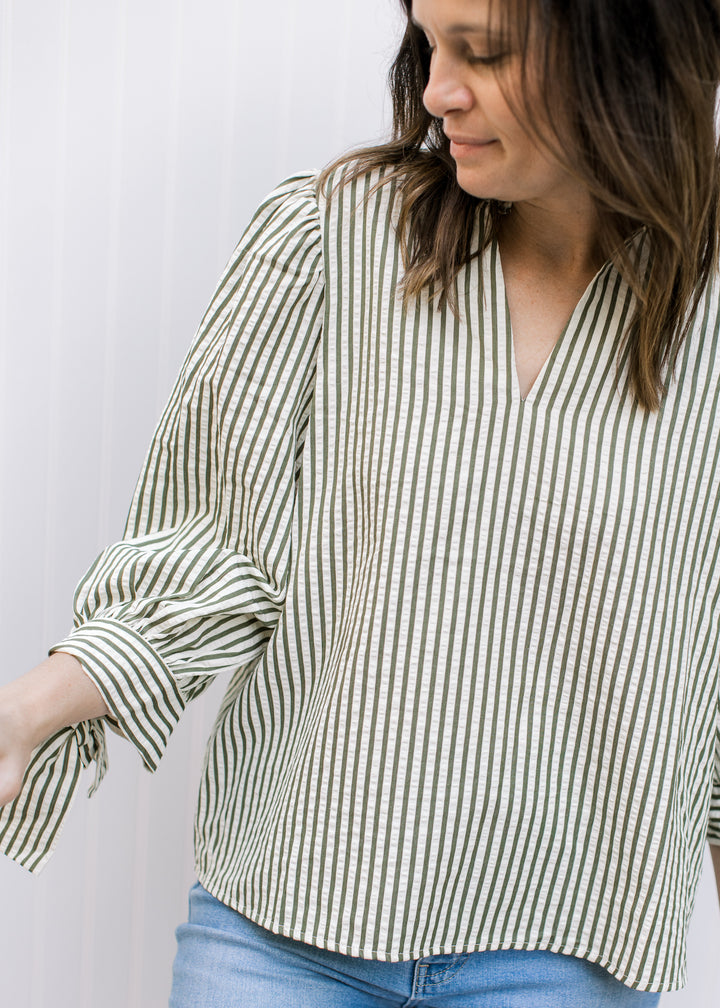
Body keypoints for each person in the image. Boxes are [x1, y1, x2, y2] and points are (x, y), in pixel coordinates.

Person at [1, 0, 720, 1003]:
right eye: (429, 42)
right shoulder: (331, 237)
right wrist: (25, 709)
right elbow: (218, 547)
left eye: (487, 52)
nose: (436, 90)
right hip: (279, 932)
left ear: (625, 55)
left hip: (567, 951)